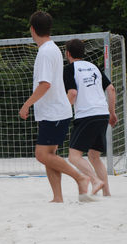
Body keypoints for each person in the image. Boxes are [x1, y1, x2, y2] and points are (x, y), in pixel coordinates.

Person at [19, 11, 91, 203]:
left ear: (32, 29)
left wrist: (27, 104)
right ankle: (57, 197)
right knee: (49, 155)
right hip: (54, 112)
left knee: (42, 155)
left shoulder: (45, 52)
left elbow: (45, 84)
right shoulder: (52, 48)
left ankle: (81, 178)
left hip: (54, 113)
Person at [63, 38, 118, 196]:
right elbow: (111, 89)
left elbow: (72, 93)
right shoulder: (94, 67)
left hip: (87, 115)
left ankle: (95, 180)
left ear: (68, 53)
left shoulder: (69, 69)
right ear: (83, 52)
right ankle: (106, 193)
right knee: (94, 156)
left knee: (74, 157)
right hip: (102, 114)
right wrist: (112, 112)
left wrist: (63, 112)